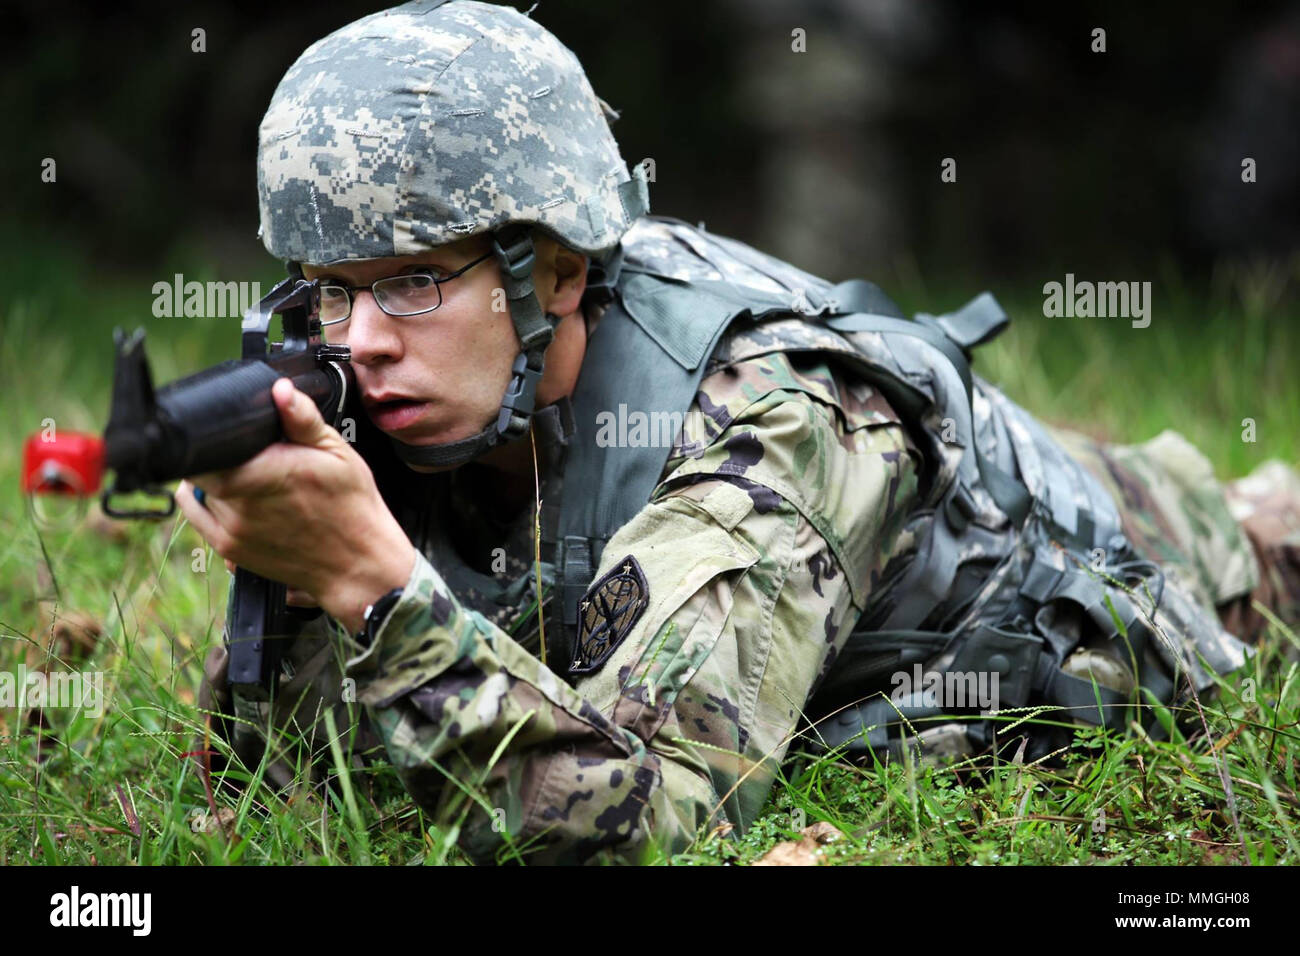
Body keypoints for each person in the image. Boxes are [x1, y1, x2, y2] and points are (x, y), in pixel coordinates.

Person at [182, 0, 1300, 864]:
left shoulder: (773, 418)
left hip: (1201, 553)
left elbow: (646, 822)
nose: (362, 339)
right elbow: (288, 776)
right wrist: (289, 591)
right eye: (331, 290)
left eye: (416, 280)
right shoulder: (427, 395)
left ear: (558, 274)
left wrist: (372, 584)